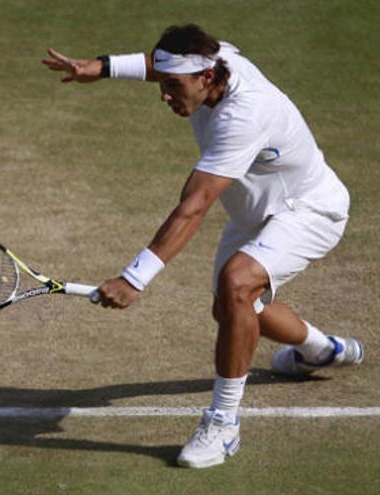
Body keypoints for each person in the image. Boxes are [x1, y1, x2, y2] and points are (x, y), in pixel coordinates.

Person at [43, 24, 364, 469]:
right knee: (231, 310)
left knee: (237, 284)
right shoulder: (213, 60)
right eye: (165, 83)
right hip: (255, 211)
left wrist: (134, 278)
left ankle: (223, 425)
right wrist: (101, 67)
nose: (164, 94)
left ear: (207, 79)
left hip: (307, 210)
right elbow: (161, 63)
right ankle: (321, 349)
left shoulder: (244, 115)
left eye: (174, 87)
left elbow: (194, 206)